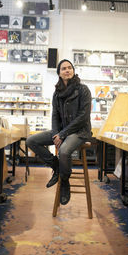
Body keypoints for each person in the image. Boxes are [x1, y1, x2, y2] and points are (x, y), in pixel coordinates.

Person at [26, 59, 92, 205]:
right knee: (31, 141)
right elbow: (55, 116)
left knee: (63, 150)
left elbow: (83, 117)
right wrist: (57, 133)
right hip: (62, 130)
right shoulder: (57, 94)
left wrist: (62, 134)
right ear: (59, 73)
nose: (67, 70)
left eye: (69, 68)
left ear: (73, 71)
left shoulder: (83, 89)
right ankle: (56, 166)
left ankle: (64, 182)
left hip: (80, 131)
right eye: (63, 68)